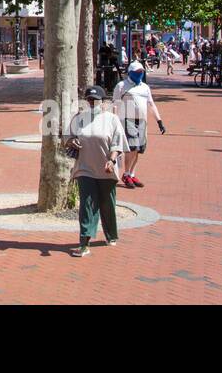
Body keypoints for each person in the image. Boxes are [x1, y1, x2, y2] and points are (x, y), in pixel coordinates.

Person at [65, 86, 128, 257]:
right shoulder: (79, 119)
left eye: (96, 100)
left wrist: (112, 159)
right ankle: (84, 243)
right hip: (85, 168)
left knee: (107, 204)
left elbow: (117, 144)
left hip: (106, 169)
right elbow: (67, 137)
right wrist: (72, 142)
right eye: (89, 100)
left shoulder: (112, 119)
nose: (92, 103)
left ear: (103, 102)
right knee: (87, 204)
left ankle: (111, 234)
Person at [113, 61, 166, 189]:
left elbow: (151, 104)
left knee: (139, 149)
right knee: (132, 147)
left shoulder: (145, 87)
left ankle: (132, 173)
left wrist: (159, 121)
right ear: (130, 73)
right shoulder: (121, 86)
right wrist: (114, 120)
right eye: (137, 72)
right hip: (128, 119)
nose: (139, 74)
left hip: (142, 121)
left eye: (141, 72)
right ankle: (126, 174)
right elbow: (115, 104)